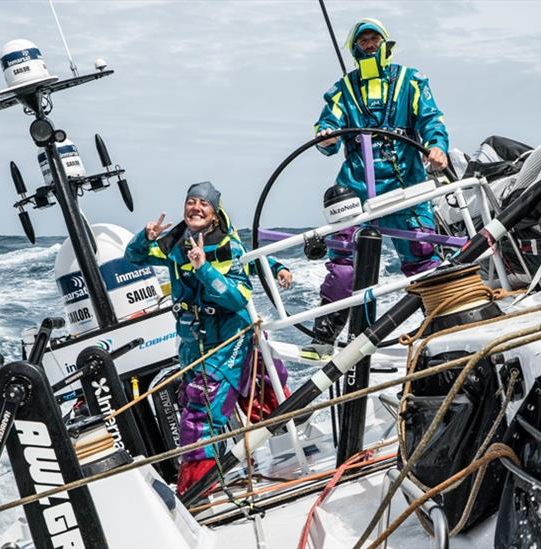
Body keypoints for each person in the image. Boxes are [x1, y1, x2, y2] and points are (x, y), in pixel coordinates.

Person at [125, 181, 291, 495]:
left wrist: (204, 269)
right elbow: (135, 258)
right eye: (191, 202)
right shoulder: (175, 243)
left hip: (231, 341)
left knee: (204, 413)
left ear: (214, 213)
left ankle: (197, 490)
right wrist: (143, 238)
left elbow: (238, 297)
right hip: (193, 344)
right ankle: (225, 471)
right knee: (196, 403)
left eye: (203, 204)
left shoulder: (228, 245)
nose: (196, 208)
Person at [311, 17, 449, 346]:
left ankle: (443, 328)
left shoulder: (410, 81)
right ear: (354, 48)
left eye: (374, 39)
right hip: (357, 187)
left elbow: (431, 119)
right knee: (344, 264)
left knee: (422, 255)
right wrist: (326, 138)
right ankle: (326, 337)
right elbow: (325, 129)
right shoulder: (341, 91)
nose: (369, 44)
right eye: (363, 41)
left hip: (406, 186)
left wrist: (437, 147)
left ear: (385, 43)